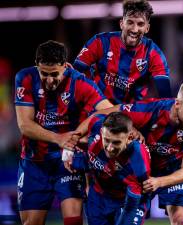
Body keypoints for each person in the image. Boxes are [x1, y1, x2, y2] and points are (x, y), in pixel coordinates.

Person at [68, 81, 183, 225]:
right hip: (142, 171)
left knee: (181, 220)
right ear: (178, 104)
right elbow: (103, 114)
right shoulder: (149, 110)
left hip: (173, 172)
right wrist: (72, 140)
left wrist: (159, 182)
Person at [14, 40, 113, 225]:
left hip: (67, 160)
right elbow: (25, 125)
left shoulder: (80, 82)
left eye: (54, 74)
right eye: (44, 73)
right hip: (34, 162)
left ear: (65, 66)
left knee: (73, 220)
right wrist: (58, 138)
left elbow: (111, 111)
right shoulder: (25, 78)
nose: (49, 80)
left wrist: (82, 133)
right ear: (37, 66)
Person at [73, 0, 171, 104]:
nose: (134, 29)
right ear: (121, 24)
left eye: (140, 24)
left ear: (147, 28)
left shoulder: (153, 53)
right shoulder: (100, 42)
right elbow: (75, 74)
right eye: (130, 22)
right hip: (97, 108)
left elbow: (165, 95)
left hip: (130, 112)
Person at [69, 112, 151, 225]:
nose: (110, 148)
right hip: (98, 196)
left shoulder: (138, 161)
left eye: (116, 142)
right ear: (102, 131)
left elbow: (132, 205)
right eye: (107, 140)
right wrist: (68, 152)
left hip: (126, 200)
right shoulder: (96, 124)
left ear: (129, 137)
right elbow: (95, 117)